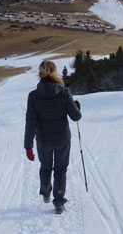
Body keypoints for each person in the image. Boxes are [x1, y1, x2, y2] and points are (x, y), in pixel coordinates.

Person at [24, 59, 82, 214]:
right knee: (60, 170)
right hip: (62, 138)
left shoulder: (33, 96)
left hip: (43, 139)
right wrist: (76, 107)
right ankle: (59, 202)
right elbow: (76, 117)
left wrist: (28, 146)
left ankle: (45, 192)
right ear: (55, 72)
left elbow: (30, 123)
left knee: (45, 167)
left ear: (40, 73)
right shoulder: (64, 92)